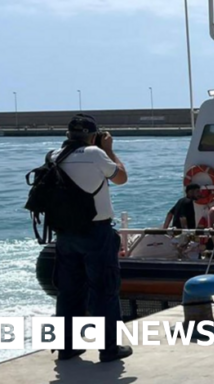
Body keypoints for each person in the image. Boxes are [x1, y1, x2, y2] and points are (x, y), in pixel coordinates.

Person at [52, 114, 131, 362]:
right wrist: (107, 149)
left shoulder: (53, 156)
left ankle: (68, 347)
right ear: (92, 135)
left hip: (65, 234)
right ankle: (109, 349)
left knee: (69, 292)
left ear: (68, 134)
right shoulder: (96, 154)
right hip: (96, 232)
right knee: (105, 289)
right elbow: (120, 178)